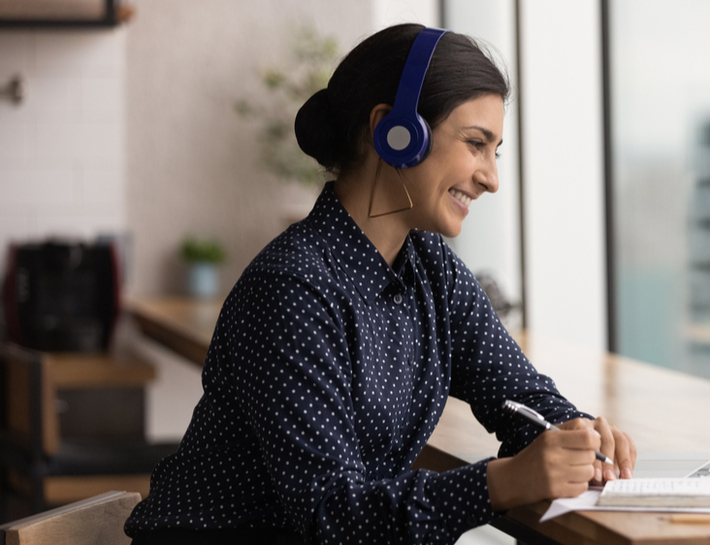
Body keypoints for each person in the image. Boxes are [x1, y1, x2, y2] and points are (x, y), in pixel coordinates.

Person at [125, 23, 636, 545]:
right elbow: (335, 518)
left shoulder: (432, 268)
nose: (491, 178)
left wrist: (576, 433)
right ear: (394, 131)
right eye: (475, 144)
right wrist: (502, 481)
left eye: (495, 152)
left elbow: (518, 395)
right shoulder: (291, 290)